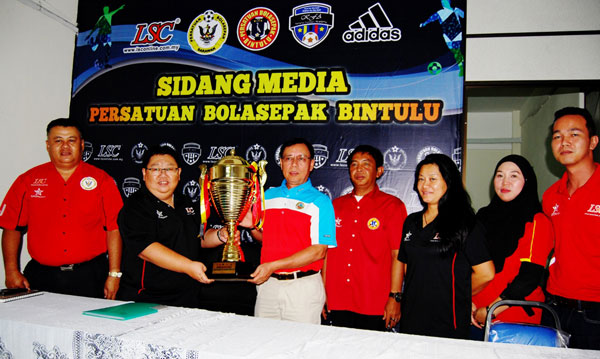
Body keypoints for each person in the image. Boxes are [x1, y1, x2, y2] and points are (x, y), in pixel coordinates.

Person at [0, 118, 123, 299]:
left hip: (90, 276)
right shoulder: (28, 180)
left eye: (71, 140)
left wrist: (114, 274)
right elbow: (11, 227)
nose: (65, 146)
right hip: (42, 275)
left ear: (81, 145)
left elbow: (114, 229)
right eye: (58, 141)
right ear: (48, 145)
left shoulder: (102, 180)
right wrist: (11, 271)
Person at [397, 153, 494, 339]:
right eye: (421, 179)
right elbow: (408, 266)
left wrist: (458, 293)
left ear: (448, 181)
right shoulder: (411, 222)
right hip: (412, 314)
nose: (425, 185)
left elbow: (486, 273)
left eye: (433, 179)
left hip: (447, 318)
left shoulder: (465, 223)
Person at [248, 138, 336, 324]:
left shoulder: (321, 202)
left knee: (299, 349)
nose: (294, 164)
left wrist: (273, 265)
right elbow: (264, 238)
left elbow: (318, 251)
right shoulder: (266, 196)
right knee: (264, 345)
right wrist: (251, 227)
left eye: (301, 158)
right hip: (268, 285)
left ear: (312, 164)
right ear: (280, 163)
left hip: (302, 287)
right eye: (288, 158)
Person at [117, 145, 214, 307]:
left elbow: (200, 238)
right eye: (155, 169)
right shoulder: (135, 206)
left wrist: (221, 235)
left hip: (187, 295)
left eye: (169, 169)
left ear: (179, 173)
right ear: (144, 173)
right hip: (147, 298)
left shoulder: (186, 202)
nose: (163, 174)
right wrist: (188, 266)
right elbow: (146, 249)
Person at [323, 145, 407, 331]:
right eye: (354, 165)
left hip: (374, 303)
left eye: (366, 164)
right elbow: (326, 254)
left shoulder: (392, 206)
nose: (359, 169)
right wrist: (322, 292)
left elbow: (398, 256)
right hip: (337, 300)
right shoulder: (335, 206)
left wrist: (395, 297)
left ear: (379, 171)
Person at [471, 155, 554, 335]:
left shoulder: (537, 221)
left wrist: (490, 311)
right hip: (473, 313)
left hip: (513, 319)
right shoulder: (482, 217)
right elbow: (467, 263)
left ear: (527, 181)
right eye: (500, 175)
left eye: (513, 176)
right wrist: (467, 301)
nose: (505, 182)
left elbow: (528, 278)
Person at [541, 107, 600, 350]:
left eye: (574, 134)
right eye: (557, 136)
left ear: (593, 142)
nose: (564, 141)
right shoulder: (550, 196)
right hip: (554, 308)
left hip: (595, 312)